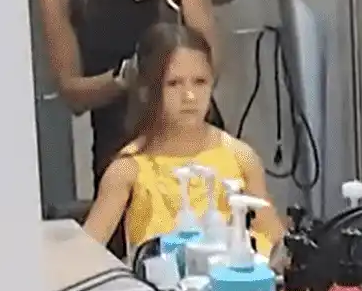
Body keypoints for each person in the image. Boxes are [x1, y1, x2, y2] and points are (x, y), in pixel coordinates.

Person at [37, 0, 225, 258]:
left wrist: (176, 73)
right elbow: (71, 93)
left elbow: (213, 64)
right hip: (122, 146)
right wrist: (126, 79)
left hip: (197, 140)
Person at [83, 23, 284, 259]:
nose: (190, 97)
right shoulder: (128, 169)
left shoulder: (240, 157)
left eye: (200, 82)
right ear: (147, 90)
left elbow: (275, 240)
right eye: (174, 83)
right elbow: (85, 255)